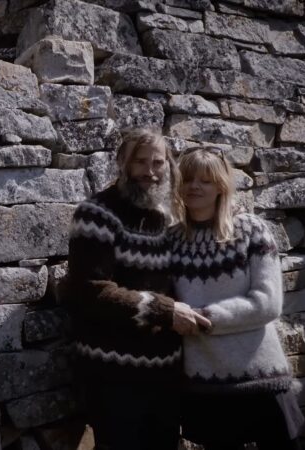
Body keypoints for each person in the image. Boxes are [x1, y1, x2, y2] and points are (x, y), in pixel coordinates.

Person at [64, 129, 211, 450]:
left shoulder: (169, 217)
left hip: (166, 376)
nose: (150, 171)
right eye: (140, 162)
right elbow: (90, 291)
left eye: (158, 163)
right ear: (122, 163)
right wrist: (164, 310)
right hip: (115, 377)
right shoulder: (96, 214)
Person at [170, 147, 304, 450]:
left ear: (221, 186)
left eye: (205, 180)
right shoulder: (171, 241)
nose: (194, 186)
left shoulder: (251, 231)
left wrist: (205, 317)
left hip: (261, 376)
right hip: (205, 382)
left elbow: (267, 303)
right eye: (187, 179)